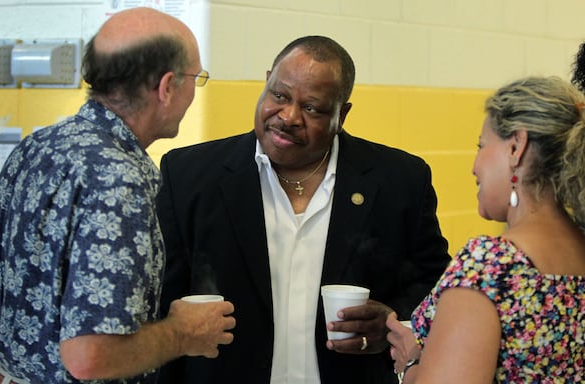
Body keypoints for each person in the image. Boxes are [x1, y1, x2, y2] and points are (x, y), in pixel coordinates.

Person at [155, 35, 450, 384]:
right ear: (266, 82)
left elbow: (434, 290)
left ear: (342, 115)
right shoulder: (189, 176)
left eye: (312, 108)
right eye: (279, 95)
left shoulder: (400, 181)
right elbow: (161, 302)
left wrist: (393, 321)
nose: (289, 116)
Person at [0, 7, 236, 384]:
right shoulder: (118, 178)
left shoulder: (38, 147)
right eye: (193, 78)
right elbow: (90, 357)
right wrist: (185, 332)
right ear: (167, 87)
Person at [387, 76, 585, 383]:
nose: (474, 165)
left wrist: (412, 364)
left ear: (516, 147)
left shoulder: (492, 266)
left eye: (481, 146)